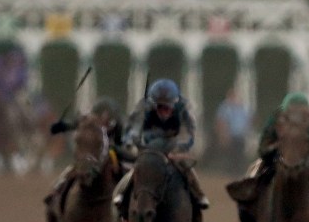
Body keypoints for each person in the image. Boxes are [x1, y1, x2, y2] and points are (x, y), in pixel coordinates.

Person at [112, 78, 210, 211]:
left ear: (175, 103)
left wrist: (179, 148)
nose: (164, 110)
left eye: (167, 107)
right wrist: (134, 142)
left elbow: (189, 133)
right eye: (160, 107)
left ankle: (198, 194)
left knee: (185, 166)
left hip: (172, 145)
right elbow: (133, 129)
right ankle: (122, 192)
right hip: (148, 145)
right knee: (138, 166)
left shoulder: (184, 108)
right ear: (153, 104)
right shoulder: (143, 106)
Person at [246, 92, 309, 211]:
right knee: (258, 169)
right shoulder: (276, 116)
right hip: (277, 156)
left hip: (307, 158)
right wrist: (276, 147)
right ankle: (251, 193)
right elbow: (263, 147)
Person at [44, 95, 128, 207]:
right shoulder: (88, 122)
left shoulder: (118, 126)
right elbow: (72, 124)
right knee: (74, 168)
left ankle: (123, 195)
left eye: (107, 119)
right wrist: (60, 126)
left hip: (109, 154)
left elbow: (121, 143)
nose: (103, 121)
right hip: (92, 155)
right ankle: (57, 189)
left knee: (120, 169)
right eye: (100, 117)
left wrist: (115, 149)